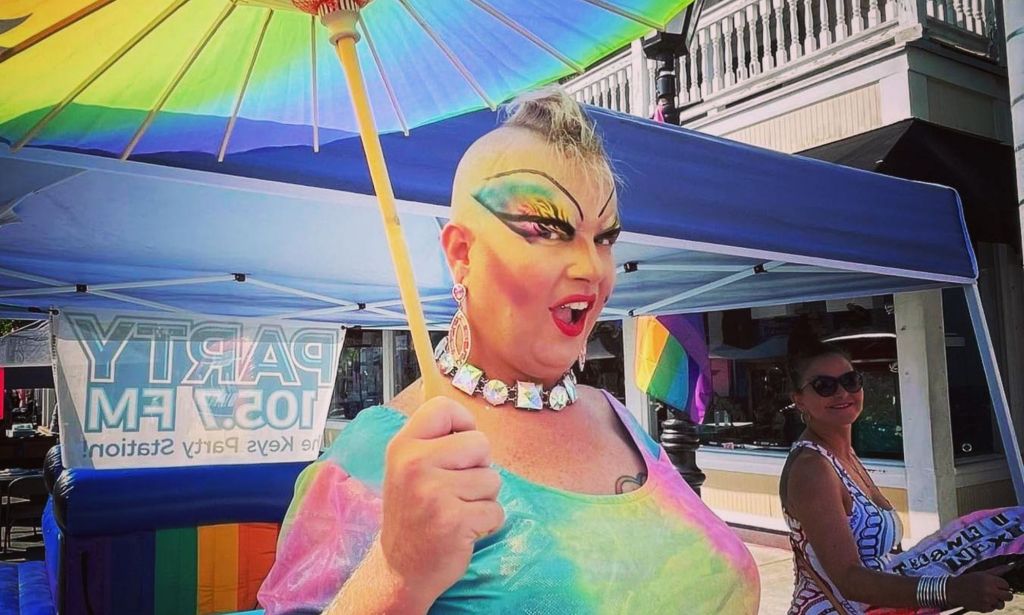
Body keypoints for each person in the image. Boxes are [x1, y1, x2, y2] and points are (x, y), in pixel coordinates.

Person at [258, 88, 760, 614]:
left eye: (604, 238)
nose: (591, 268)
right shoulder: (369, 463)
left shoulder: (617, 417)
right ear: (462, 253)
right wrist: (397, 573)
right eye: (547, 229)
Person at [780, 324, 1013, 613]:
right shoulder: (812, 469)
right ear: (798, 398)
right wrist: (950, 590)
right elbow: (848, 579)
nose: (842, 392)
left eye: (851, 380)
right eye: (824, 386)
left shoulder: (842, 454)